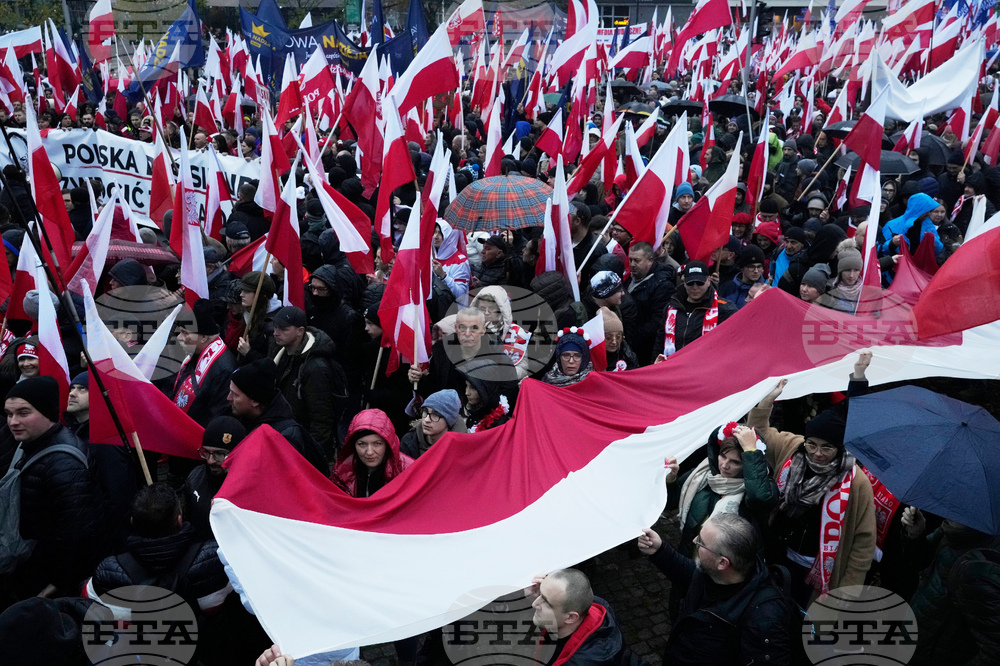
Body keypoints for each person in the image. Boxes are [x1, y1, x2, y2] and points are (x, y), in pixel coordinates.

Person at [747, 353, 876, 605]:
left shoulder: (856, 482)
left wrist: (848, 591)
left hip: (816, 572)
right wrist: (767, 402)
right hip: (776, 551)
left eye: (827, 448)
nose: (817, 454)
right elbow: (759, 433)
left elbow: (863, 542)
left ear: (840, 449)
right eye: (812, 444)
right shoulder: (792, 448)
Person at [638, 513, 793, 665]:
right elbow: (692, 575)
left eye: (700, 542)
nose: (694, 541)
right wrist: (659, 550)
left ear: (722, 563)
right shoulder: (714, 572)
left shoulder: (764, 621)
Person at [4, 377, 104, 598]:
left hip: (44, 583)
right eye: (9, 414)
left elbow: (77, 535)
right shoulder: (29, 442)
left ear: (47, 412)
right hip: (27, 569)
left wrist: (55, 585)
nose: (12, 422)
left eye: (23, 413)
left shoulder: (63, 464)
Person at [84, 483, 232, 613]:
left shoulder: (108, 572)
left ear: (133, 522)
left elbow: (88, 600)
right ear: (179, 520)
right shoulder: (216, 560)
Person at [902, 508, 1000, 665]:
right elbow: (920, 562)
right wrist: (916, 535)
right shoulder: (952, 529)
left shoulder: (980, 567)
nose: (948, 509)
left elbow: (994, 651)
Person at [228, 358, 329, 474]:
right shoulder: (244, 419)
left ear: (255, 401)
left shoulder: (285, 437)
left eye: (235, 395)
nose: (229, 398)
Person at [271, 306, 347, 456]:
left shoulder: (316, 368)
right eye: (275, 327)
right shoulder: (281, 353)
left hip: (303, 445)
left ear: (300, 331)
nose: (275, 333)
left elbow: (321, 419)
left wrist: (314, 455)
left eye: (283, 329)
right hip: (287, 436)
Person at [527, 569, 633, 666]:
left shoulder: (580, 662)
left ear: (571, 618)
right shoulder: (594, 606)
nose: (534, 604)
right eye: (540, 594)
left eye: (546, 602)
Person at [172, 299, 238, 427]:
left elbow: (217, 412)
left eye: (185, 333)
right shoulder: (194, 354)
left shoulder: (224, 369)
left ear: (204, 337)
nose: (179, 337)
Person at [183, 416, 248, 538]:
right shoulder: (195, 478)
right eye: (206, 452)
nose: (210, 461)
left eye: (219, 454)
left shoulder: (252, 486)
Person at [657, 261, 737, 358]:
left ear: (708, 281)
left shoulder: (724, 309)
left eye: (699, 283)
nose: (695, 287)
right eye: (690, 283)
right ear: (684, 282)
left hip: (705, 367)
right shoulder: (672, 307)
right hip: (674, 366)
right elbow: (660, 342)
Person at [333, 409, 413, 498]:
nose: (369, 452)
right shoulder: (342, 471)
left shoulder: (409, 470)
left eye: (377, 444)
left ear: (388, 444)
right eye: (362, 444)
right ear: (353, 445)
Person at [625, 241, 675, 364]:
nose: (632, 265)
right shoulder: (628, 277)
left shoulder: (662, 285)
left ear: (650, 260)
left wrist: (633, 338)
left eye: (637, 260)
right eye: (630, 260)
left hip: (645, 348)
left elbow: (657, 321)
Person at [470, 287, 532, 380]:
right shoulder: (470, 330)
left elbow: (522, 368)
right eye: (482, 308)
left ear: (501, 308)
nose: (486, 312)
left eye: (491, 308)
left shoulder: (518, 334)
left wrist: (501, 376)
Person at [400, 389, 466, 459]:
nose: (426, 419)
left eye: (435, 414)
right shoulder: (409, 442)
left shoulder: (463, 447)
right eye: (425, 411)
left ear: (449, 420)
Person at [433, 220, 471, 306]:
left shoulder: (460, 261)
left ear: (450, 237)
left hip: (452, 312)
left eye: (440, 233)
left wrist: (443, 276)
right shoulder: (431, 256)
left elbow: (460, 294)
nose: (435, 236)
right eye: (434, 232)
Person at [815, 248, 863, 313]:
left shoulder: (867, 292)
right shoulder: (829, 290)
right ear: (840, 271)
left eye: (856, 270)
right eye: (847, 270)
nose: (851, 275)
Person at [601, 307, 637, 371]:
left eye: (618, 337)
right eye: (608, 338)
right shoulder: (589, 361)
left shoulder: (628, 356)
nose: (614, 342)